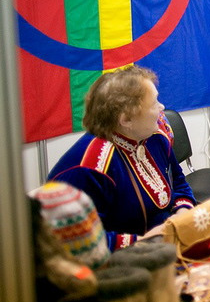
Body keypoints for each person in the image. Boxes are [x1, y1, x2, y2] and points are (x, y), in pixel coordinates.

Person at [48, 66, 196, 252]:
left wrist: (182, 213)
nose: (162, 107)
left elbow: (179, 183)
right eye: (154, 103)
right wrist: (147, 239)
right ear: (126, 120)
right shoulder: (88, 169)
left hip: (163, 246)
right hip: (118, 261)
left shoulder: (156, 137)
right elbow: (81, 242)